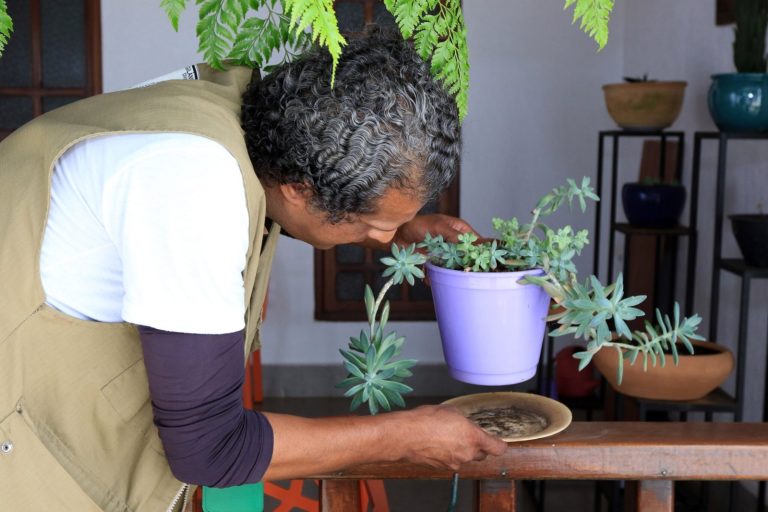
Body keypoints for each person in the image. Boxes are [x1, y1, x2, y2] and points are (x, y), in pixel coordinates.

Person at [0, 28, 506, 511]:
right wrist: (404, 436)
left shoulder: (245, 117)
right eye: (374, 224)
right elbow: (210, 449)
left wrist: (401, 225)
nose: (383, 239)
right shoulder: (192, 182)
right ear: (299, 189)